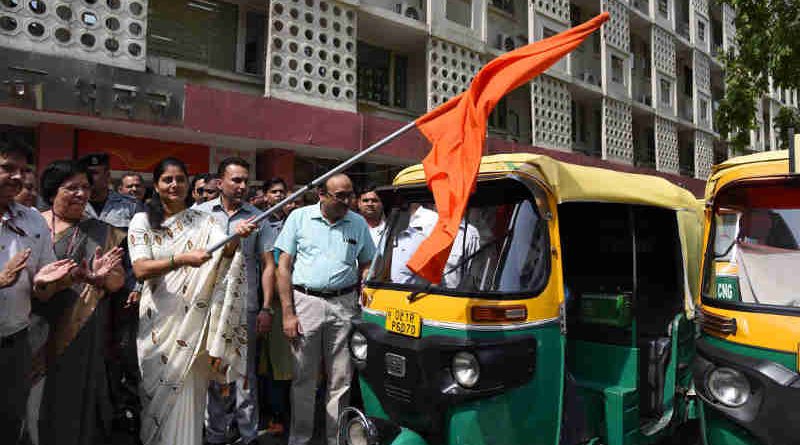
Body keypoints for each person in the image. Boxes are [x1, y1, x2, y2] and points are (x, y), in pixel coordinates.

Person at [129, 157, 257, 445]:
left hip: (193, 325)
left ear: (188, 184)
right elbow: (140, 268)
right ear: (157, 185)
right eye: (167, 180)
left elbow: (224, 255)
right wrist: (182, 259)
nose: (174, 185)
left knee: (189, 397)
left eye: (180, 179)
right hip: (158, 321)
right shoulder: (143, 220)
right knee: (156, 400)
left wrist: (236, 238)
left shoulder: (204, 220)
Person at [274, 173, 376, 445]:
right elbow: (283, 266)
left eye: (349, 195)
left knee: (341, 380)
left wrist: (365, 283)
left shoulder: (357, 223)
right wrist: (287, 312)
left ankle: (335, 438)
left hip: (344, 306)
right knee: (303, 379)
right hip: (305, 303)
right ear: (322, 194)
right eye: (340, 196)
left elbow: (367, 263)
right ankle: (300, 438)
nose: (347, 201)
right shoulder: (299, 218)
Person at [36, 160, 128, 445]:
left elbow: (117, 283)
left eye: (85, 187)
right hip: (34, 321)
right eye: (71, 187)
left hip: (81, 325)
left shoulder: (104, 232)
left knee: (74, 395)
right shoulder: (32, 224)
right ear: (53, 192)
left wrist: (99, 278)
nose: (81, 193)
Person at [0, 142, 78, 443]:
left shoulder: (33, 220)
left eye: (23, 171)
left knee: (10, 425)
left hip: (15, 344)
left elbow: (42, 290)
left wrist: (51, 282)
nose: (18, 177)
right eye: (8, 168)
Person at [197, 157, 273, 445]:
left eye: (246, 181)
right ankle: (216, 434)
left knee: (245, 374)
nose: (242, 186)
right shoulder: (200, 215)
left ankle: (247, 435)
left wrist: (266, 307)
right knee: (214, 372)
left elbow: (267, 264)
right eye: (236, 180)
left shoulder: (258, 216)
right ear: (220, 183)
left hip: (246, 307)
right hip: (210, 307)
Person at [257, 176, 292, 436]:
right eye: (274, 192)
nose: (279, 196)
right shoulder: (256, 222)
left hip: (285, 303)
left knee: (282, 363)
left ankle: (279, 414)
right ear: (265, 195)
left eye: (283, 192)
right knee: (260, 364)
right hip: (258, 302)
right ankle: (266, 413)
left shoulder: (295, 223)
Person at [78, 153, 144, 229]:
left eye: (94, 173)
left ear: (107, 176)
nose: (89, 177)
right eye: (86, 174)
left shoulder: (131, 205)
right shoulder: (75, 204)